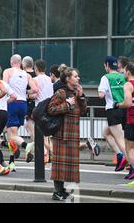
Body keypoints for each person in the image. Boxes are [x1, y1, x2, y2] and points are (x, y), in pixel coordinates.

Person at [47, 66, 87, 201]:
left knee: (68, 165)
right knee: (60, 165)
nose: (78, 78)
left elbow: (82, 111)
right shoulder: (61, 92)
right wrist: (67, 105)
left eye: (78, 76)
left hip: (73, 134)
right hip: (61, 134)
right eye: (76, 76)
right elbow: (51, 109)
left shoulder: (77, 91)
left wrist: (81, 97)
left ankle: (62, 190)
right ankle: (56, 191)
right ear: (68, 79)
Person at [3, 55, 38, 167]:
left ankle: (25, 145)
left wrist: (3, 100)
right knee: (13, 134)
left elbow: (4, 87)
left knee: (11, 135)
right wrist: (25, 92)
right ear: (20, 63)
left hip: (12, 102)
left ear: (11, 61)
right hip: (23, 104)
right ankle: (12, 162)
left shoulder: (8, 71)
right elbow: (35, 89)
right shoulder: (26, 75)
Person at [98, 56, 128, 172]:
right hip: (124, 109)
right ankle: (120, 155)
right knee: (106, 132)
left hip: (113, 110)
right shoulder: (123, 76)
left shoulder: (105, 77)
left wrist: (100, 90)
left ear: (106, 65)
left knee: (120, 140)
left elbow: (101, 95)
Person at [33, 59, 54, 163]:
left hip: (39, 108)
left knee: (42, 136)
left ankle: (51, 154)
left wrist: (28, 95)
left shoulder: (35, 79)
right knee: (48, 135)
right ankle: (48, 154)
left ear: (36, 68)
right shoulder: (50, 79)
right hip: (49, 107)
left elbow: (35, 94)